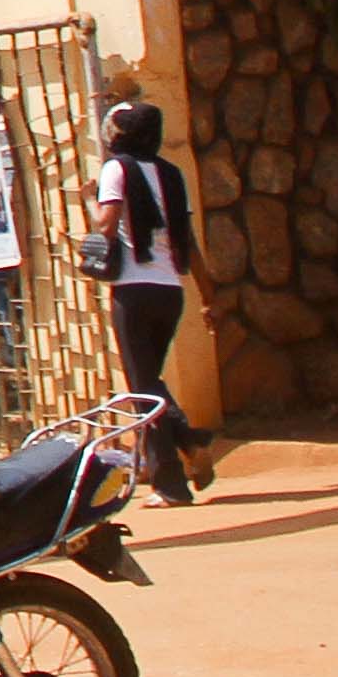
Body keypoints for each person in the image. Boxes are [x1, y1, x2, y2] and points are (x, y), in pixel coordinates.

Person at [96, 99, 210, 504]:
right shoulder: (172, 174)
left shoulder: (117, 169)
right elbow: (189, 242)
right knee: (150, 381)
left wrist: (91, 235)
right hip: (170, 291)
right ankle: (187, 442)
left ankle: (171, 482)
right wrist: (210, 298)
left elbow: (107, 224)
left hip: (133, 288)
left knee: (144, 391)